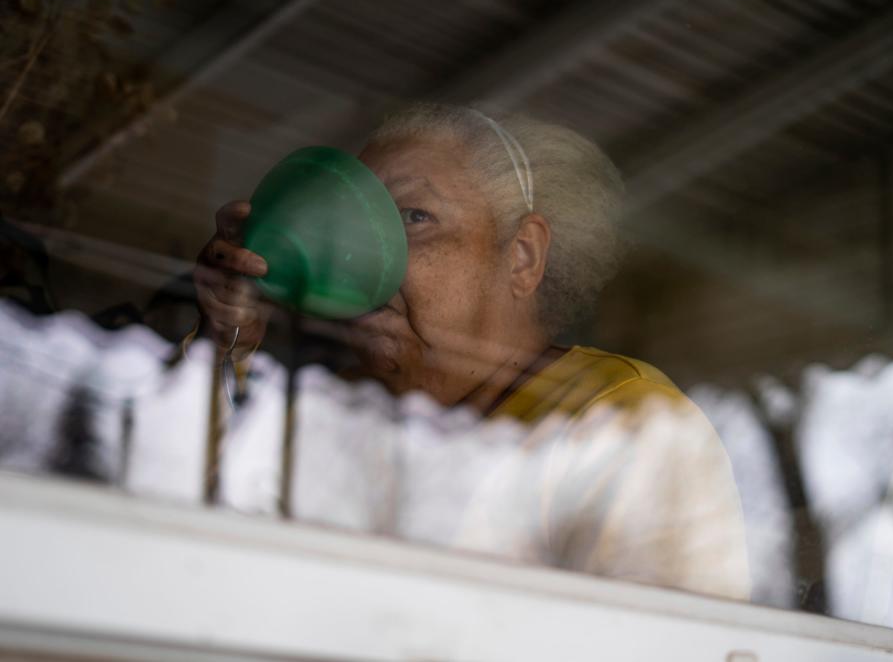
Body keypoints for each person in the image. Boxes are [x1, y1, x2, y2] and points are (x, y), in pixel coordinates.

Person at [193, 103, 751, 599]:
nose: (360, 255)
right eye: (356, 222)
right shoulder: (334, 405)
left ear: (523, 257)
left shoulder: (620, 421)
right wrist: (223, 349)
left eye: (413, 218)